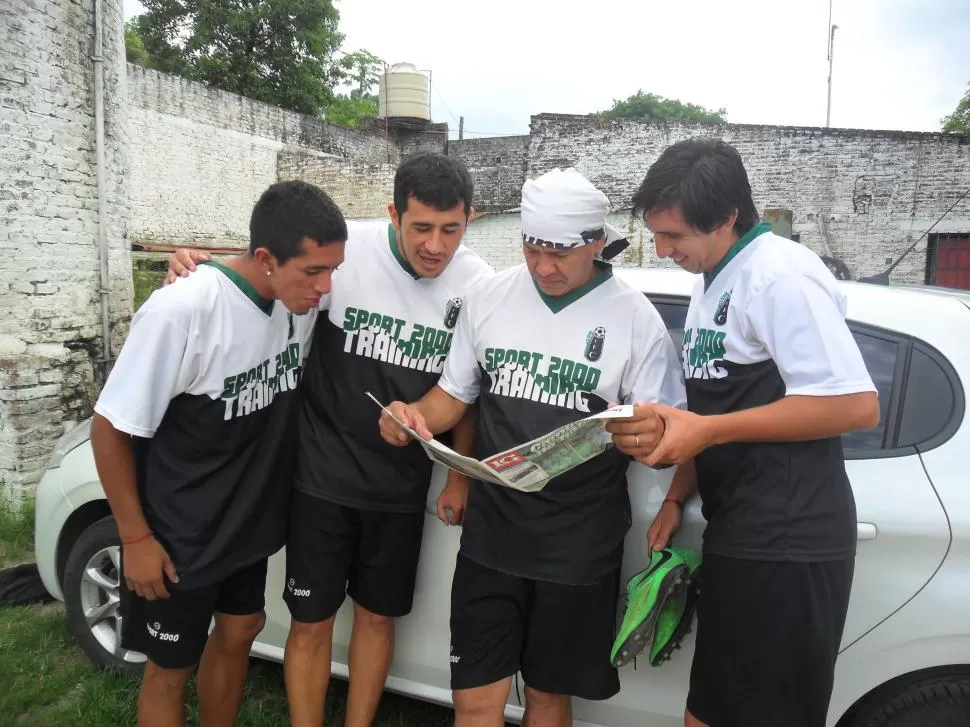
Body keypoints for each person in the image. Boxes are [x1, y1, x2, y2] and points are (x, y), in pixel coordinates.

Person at [165, 151, 493, 727]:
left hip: (400, 487)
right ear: (394, 215)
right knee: (310, 622)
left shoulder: (479, 285)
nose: (435, 245)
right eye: (421, 227)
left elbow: (464, 390)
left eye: (451, 229)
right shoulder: (348, 254)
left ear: (472, 218)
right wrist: (202, 264)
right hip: (319, 476)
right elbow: (275, 266)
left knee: (376, 619)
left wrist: (460, 473)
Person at [377, 167, 688, 727]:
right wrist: (414, 416)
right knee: (474, 700)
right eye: (533, 247)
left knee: (547, 697)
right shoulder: (489, 296)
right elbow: (453, 395)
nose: (544, 266)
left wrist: (647, 436)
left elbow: (665, 432)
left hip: (579, 547)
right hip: (492, 541)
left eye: (562, 253)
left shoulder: (634, 318)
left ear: (597, 242)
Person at [607, 137, 880, 727]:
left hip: (788, 538)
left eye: (675, 236)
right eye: (656, 233)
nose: (662, 249)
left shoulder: (779, 275)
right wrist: (679, 493)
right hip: (742, 531)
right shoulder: (717, 276)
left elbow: (855, 405)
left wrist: (706, 432)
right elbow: (716, 405)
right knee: (708, 713)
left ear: (728, 217)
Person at [91, 180, 347, 727]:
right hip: (180, 529)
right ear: (265, 258)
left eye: (332, 271)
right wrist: (135, 538)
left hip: (246, 519)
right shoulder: (182, 310)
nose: (325, 288)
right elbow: (110, 427)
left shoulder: (293, 302)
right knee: (169, 667)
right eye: (314, 272)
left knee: (240, 632)